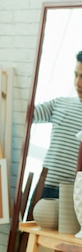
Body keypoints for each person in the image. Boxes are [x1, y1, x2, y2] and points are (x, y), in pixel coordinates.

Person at [33, 50, 82, 199]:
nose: (77, 83)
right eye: (76, 75)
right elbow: (26, 115)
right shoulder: (60, 104)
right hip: (45, 187)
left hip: (75, 194)